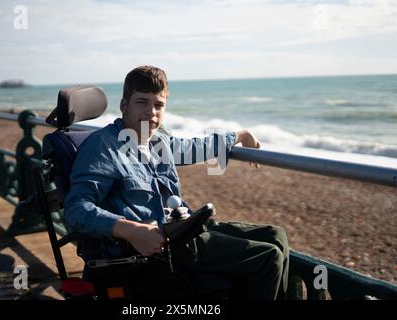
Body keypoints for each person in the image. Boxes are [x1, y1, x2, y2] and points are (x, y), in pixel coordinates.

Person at [64, 65, 289, 300]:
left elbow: (199, 146)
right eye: (142, 102)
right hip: (153, 251)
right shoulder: (103, 147)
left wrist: (241, 135)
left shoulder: (159, 142)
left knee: (277, 235)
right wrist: (132, 230)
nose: (151, 112)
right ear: (124, 105)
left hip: (183, 230)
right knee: (268, 258)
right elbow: (77, 208)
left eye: (158, 105)